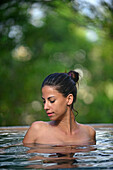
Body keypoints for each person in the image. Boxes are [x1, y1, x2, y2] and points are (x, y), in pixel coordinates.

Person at [23, 70, 96, 145]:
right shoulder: (37, 130)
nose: (45, 107)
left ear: (69, 99)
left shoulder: (89, 133)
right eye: (44, 101)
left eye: (51, 101)